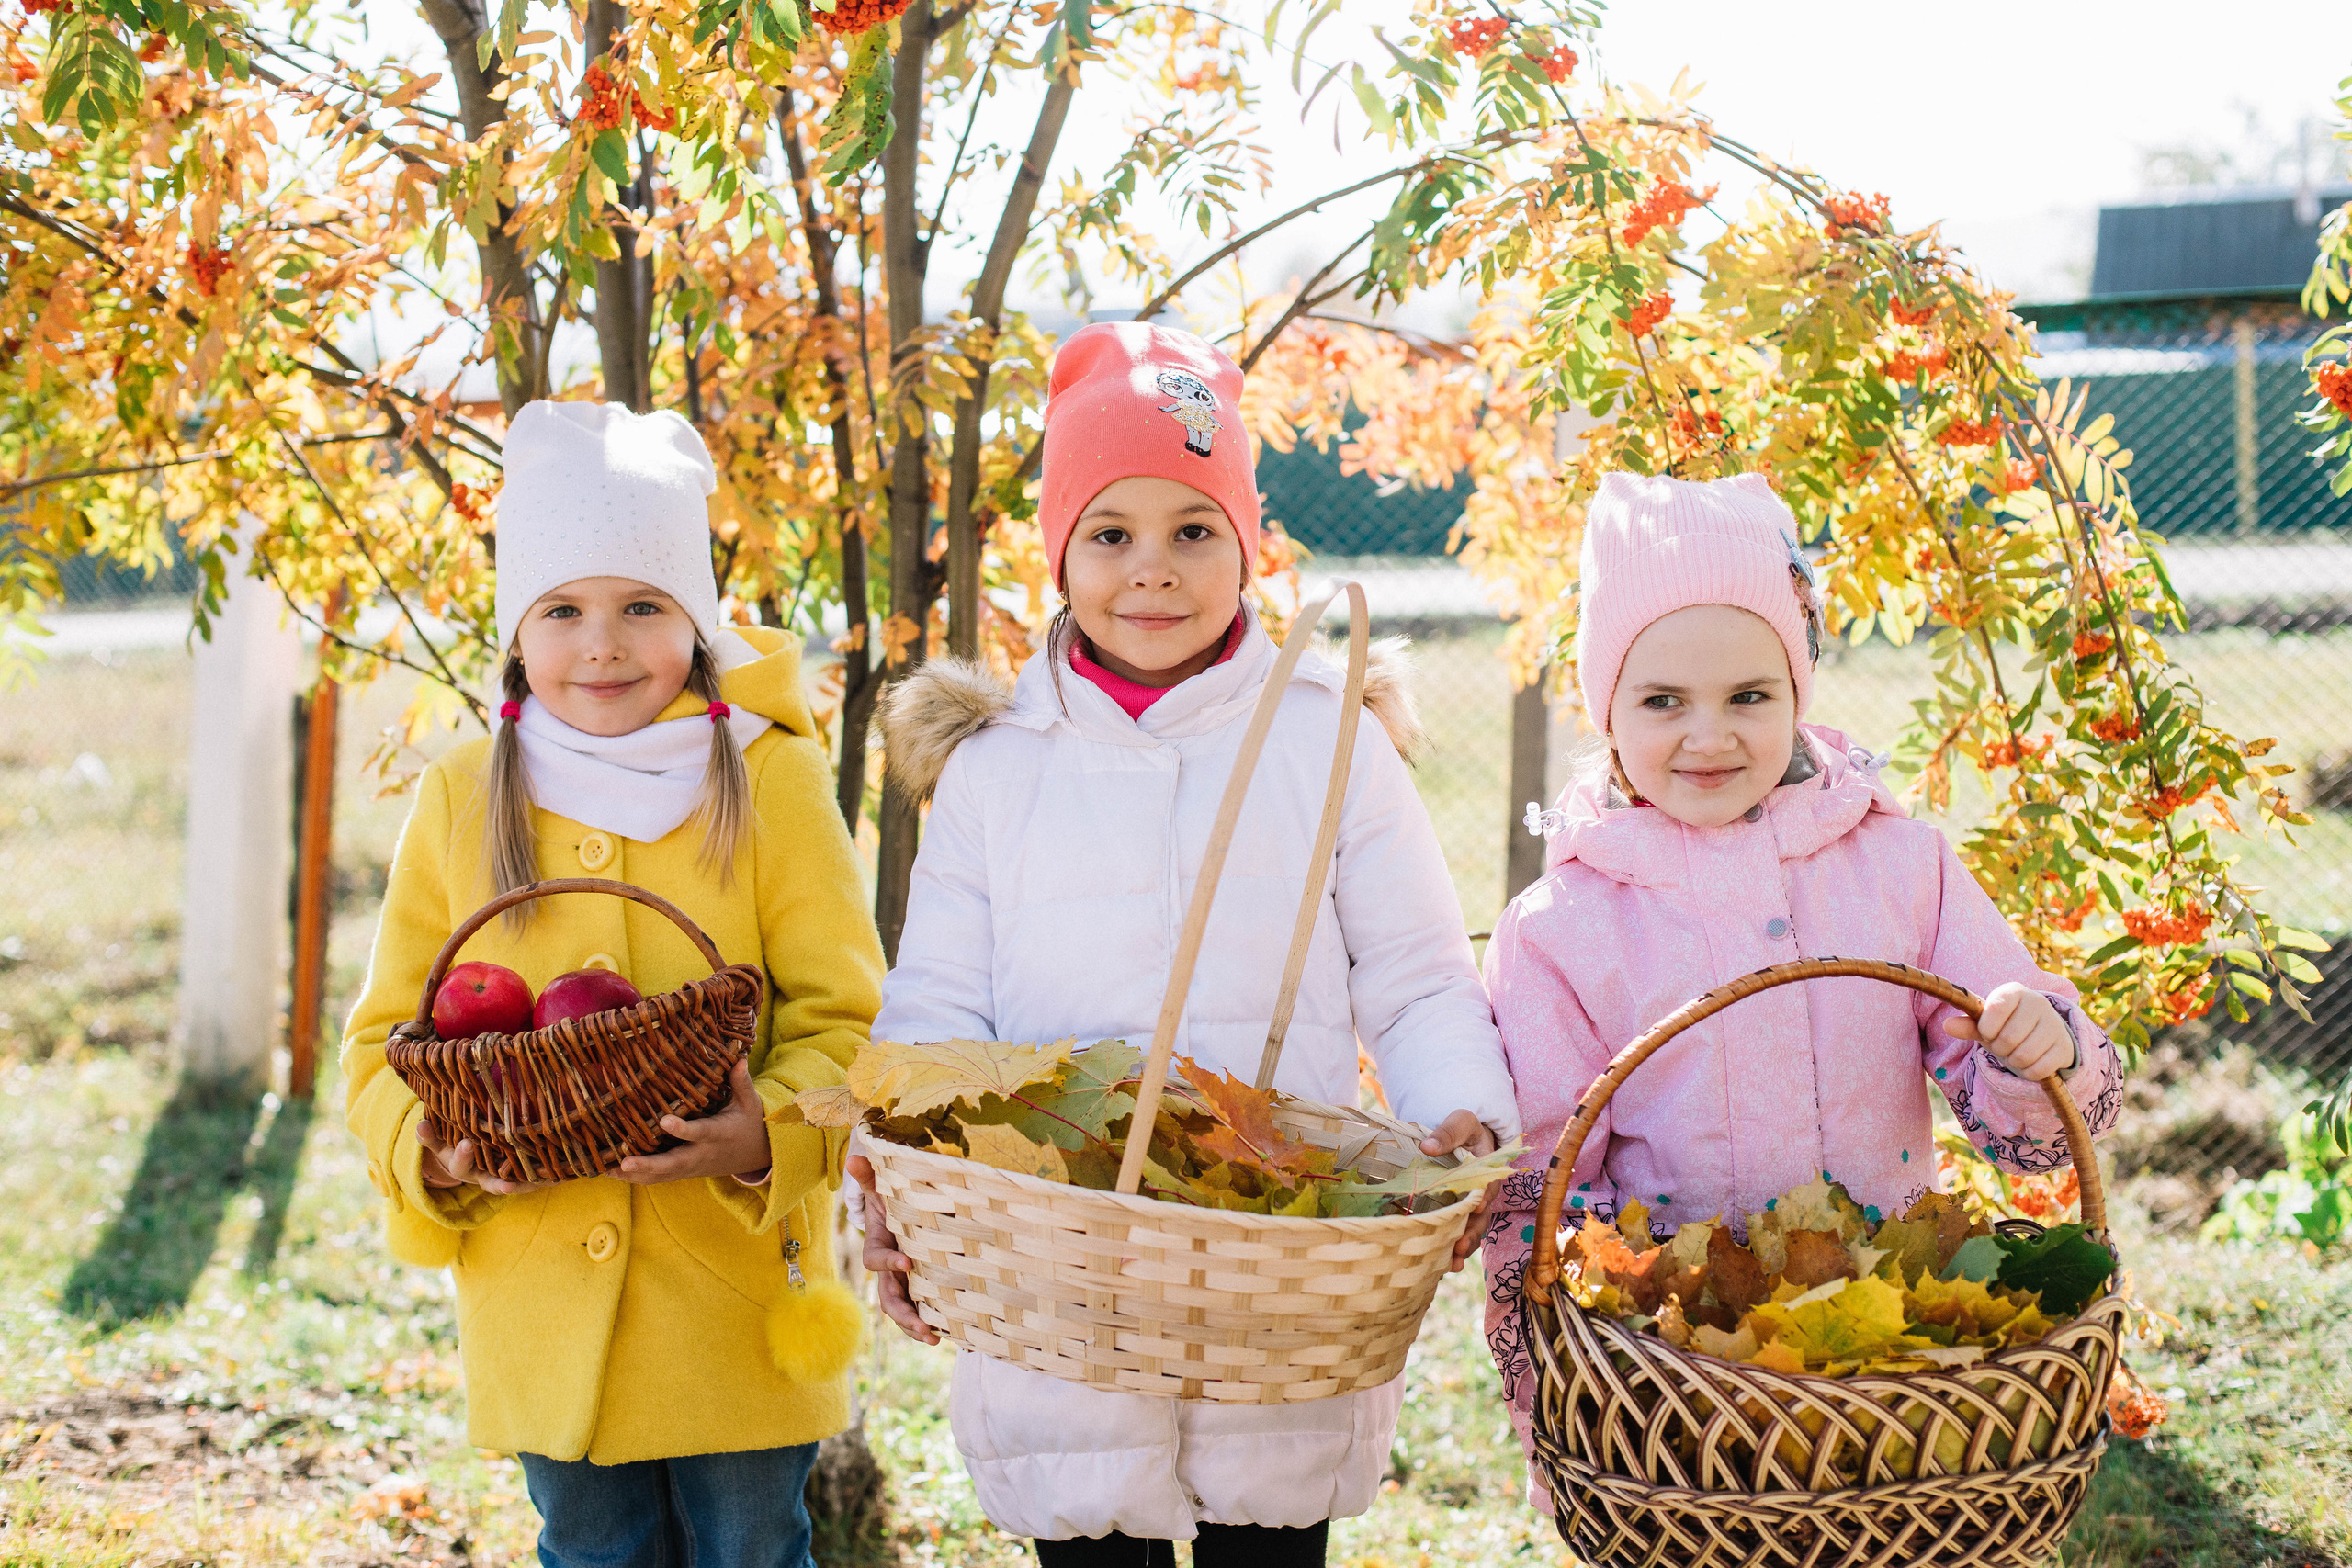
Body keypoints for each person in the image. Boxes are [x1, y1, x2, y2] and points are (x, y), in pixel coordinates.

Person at [852, 321, 1521, 1566]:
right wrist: (903, 1164)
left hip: (1276, 1264)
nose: (1149, 570)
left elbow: (1418, 967)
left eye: (1192, 529)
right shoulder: (999, 769)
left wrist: (1462, 1106)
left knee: (1268, 1535)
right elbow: (939, 994)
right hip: (1062, 1260)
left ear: (1249, 544)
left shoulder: (1327, 738)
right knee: (1092, 1530)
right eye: (1109, 533)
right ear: (1058, 552)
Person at [1476, 470, 2125, 1506]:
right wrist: (1573, 1386)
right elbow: (1544, 1187)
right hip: (1683, 1372)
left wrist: (2033, 1049)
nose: (1708, 736)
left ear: (1797, 689)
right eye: (1660, 701)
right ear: (1604, 707)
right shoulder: (1563, 929)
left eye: (1749, 695)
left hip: (1889, 1350)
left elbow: (2030, 1129)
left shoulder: (1897, 866)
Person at [341, 401, 884, 1568]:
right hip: (539, 1289)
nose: (603, 645)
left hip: (734, 1294)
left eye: (644, 607)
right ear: (515, 634)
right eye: (563, 611)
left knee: (755, 1547)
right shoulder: (466, 791)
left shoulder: (767, 778)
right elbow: (382, 1040)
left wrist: (765, 1137)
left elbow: (852, 1017)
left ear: (694, 621)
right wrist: (430, 1151)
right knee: (591, 1552)